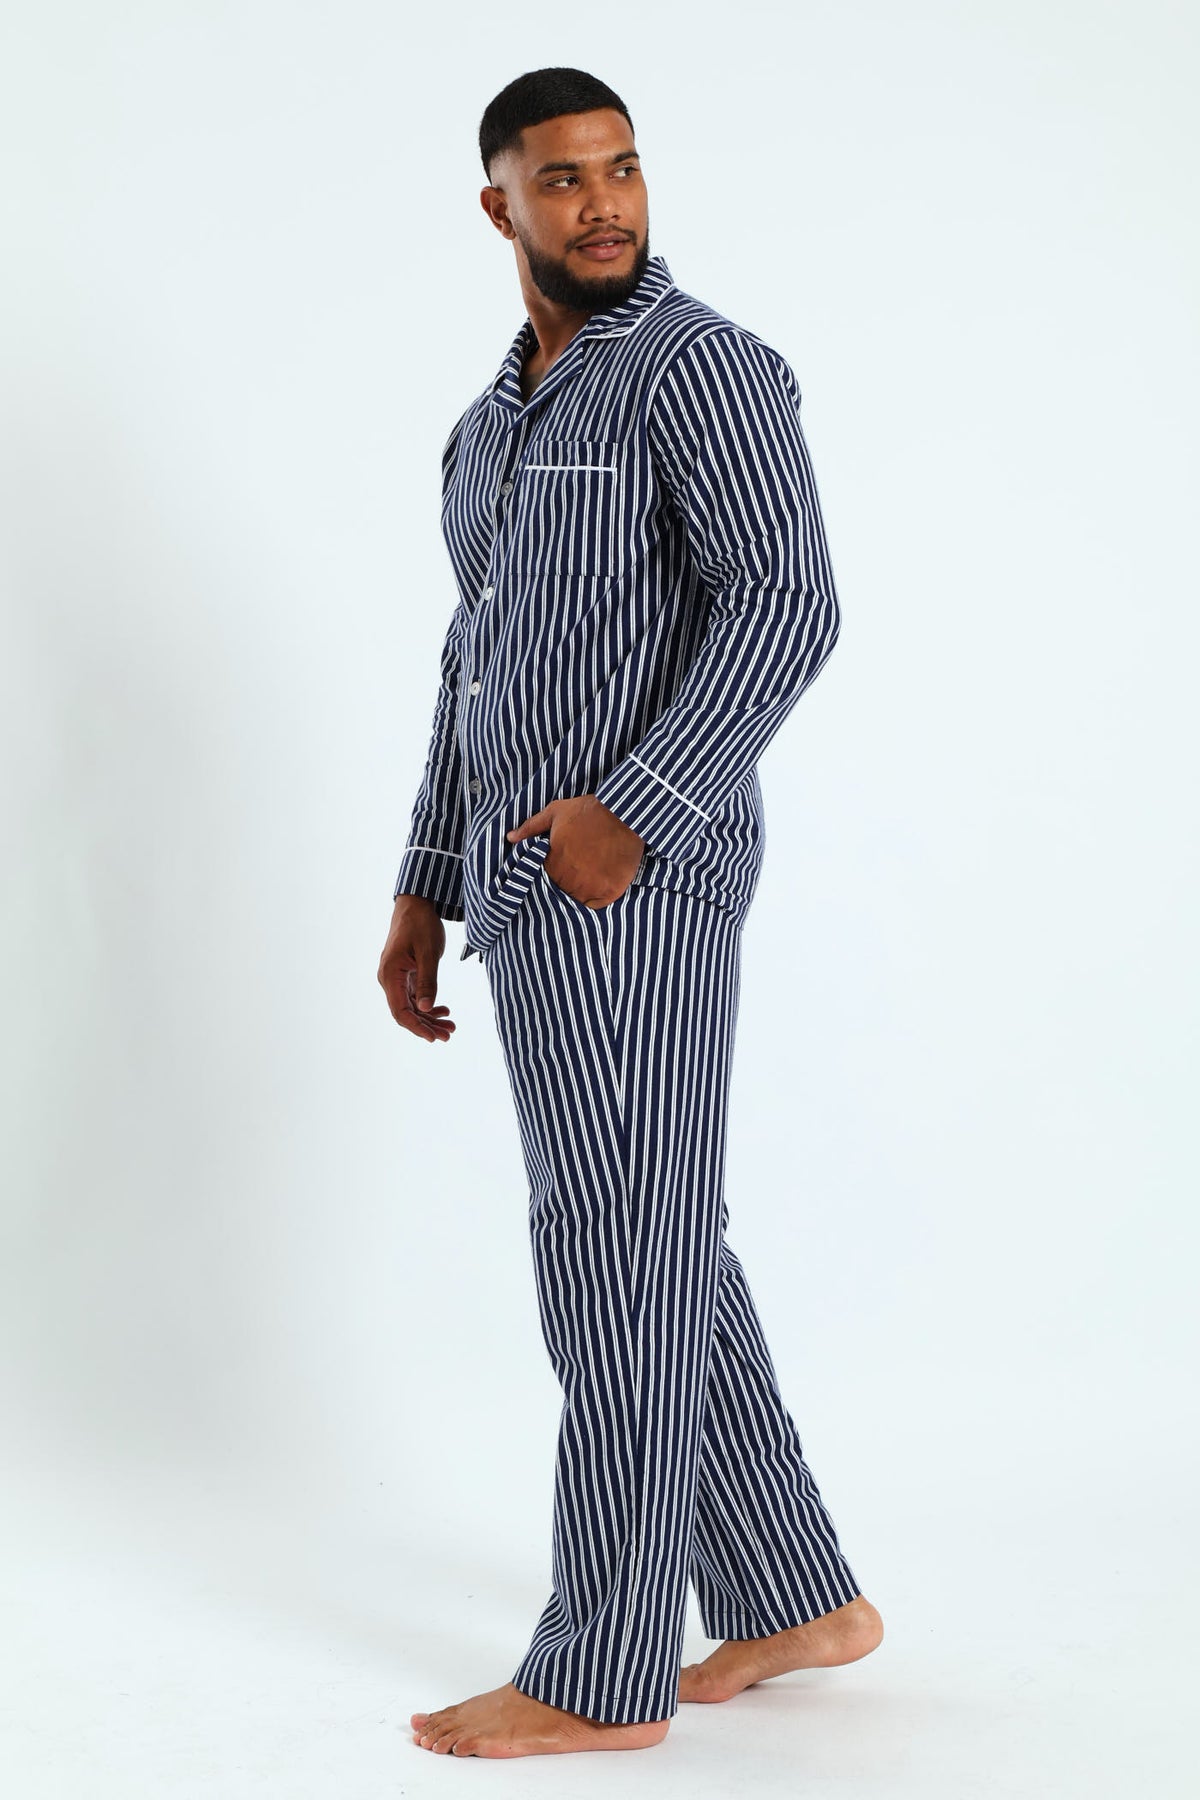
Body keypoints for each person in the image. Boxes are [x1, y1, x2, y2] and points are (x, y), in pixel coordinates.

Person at [377, 65, 883, 1761]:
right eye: (562, 179)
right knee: (646, 1238)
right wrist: (425, 879)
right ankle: (797, 1593)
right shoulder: (488, 430)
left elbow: (788, 601)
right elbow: (476, 663)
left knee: (613, 1254)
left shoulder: (701, 366)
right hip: (524, 890)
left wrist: (634, 816)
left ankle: (601, 1668)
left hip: (638, 882)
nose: (600, 204)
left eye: (622, 170)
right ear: (499, 206)